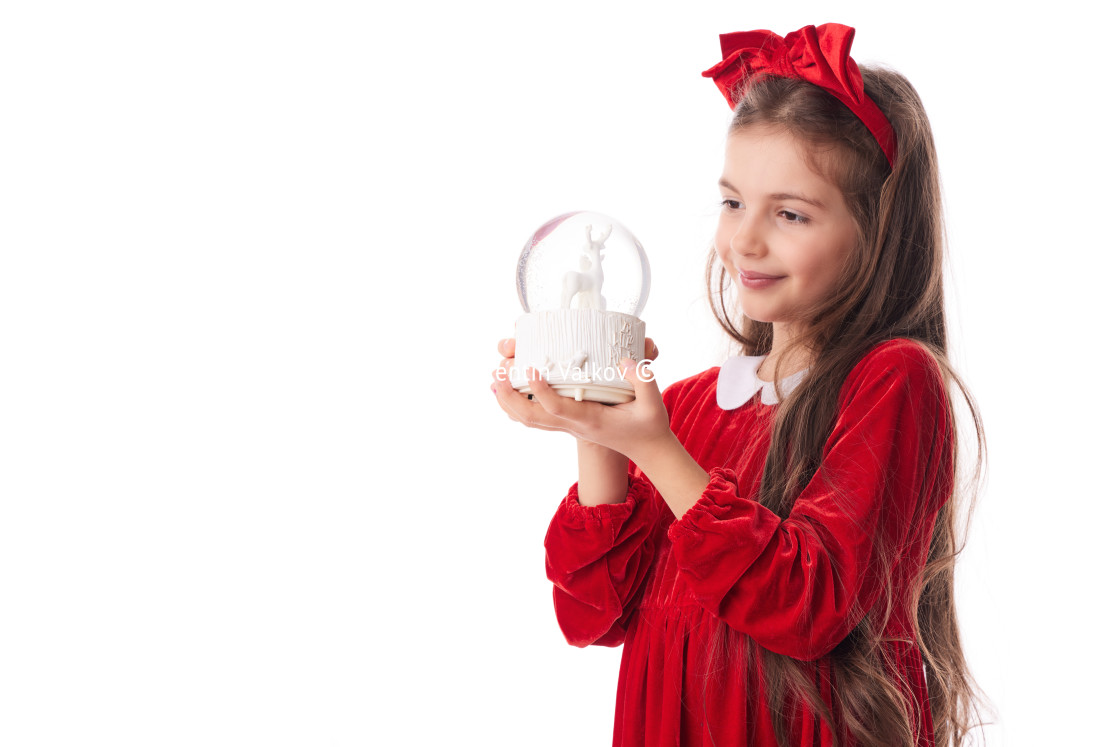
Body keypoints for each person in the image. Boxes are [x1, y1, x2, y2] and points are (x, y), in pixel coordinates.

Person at [491, 23, 985, 747]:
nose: (745, 241)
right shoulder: (686, 405)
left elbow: (805, 605)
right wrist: (596, 431)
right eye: (732, 202)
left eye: (789, 214)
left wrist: (655, 450)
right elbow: (592, 614)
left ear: (875, 232)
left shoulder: (892, 381)